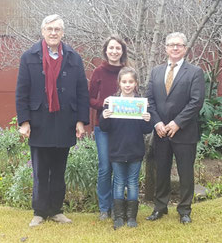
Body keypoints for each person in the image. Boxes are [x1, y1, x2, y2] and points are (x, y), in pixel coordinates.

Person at [15, 14, 90, 227]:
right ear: (43, 32)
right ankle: (39, 212)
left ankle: (56, 210)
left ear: (63, 33)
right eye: (50, 29)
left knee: (59, 169)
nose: (53, 33)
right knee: (40, 170)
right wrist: (24, 121)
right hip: (39, 121)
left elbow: (82, 92)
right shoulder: (29, 56)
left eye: (57, 29)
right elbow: (22, 92)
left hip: (65, 121)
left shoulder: (74, 57)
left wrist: (80, 121)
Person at [145, 32, 205, 224]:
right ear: (165, 49)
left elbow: (196, 102)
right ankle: (160, 207)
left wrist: (177, 123)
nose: (175, 48)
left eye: (179, 45)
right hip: (161, 131)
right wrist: (157, 123)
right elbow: (150, 101)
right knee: (161, 171)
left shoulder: (195, 72)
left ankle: (184, 210)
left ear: (185, 48)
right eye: (171, 45)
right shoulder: (156, 72)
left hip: (184, 132)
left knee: (185, 172)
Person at [99, 67, 152, 229]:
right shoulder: (112, 103)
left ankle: (131, 217)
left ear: (136, 83)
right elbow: (104, 127)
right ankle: (119, 217)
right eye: (124, 82)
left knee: (133, 183)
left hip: (135, 150)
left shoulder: (141, 104)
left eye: (130, 82)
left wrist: (148, 119)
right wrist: (104, 116)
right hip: (117, 150)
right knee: (119, 183)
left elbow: (147, 130)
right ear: (119, 83)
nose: (127, 85)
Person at [88, 35, 128, 220]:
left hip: (123, 128)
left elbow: (135, 96)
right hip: (102, 127)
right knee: (105, 167)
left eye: (117, 48)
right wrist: (105, 104)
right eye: (111, 48)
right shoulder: (98, 72)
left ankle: (117, 206)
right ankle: (104, 208)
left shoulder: (128, 71)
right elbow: (89, 99)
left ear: (122, 51)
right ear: (106, 51)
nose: (114, 51)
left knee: (118, 166)